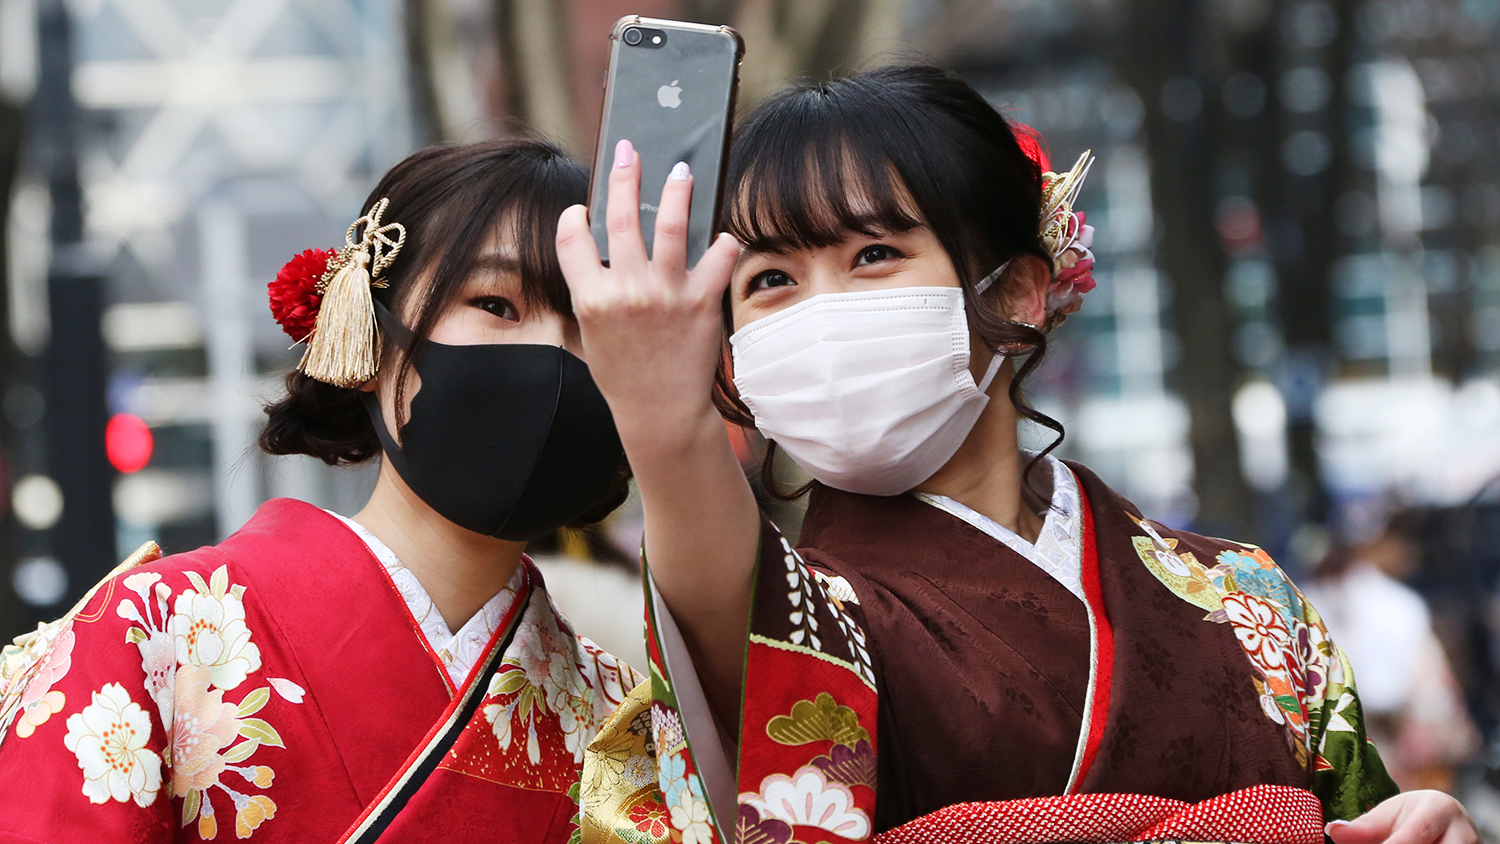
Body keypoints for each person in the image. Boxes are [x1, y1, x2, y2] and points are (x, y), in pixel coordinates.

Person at [556, 67, 1478, 844]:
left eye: (874, 253)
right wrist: (660, 419)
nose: (817, 313)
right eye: (769, 282)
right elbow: (718, 573)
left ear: (1021, 293)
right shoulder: (800, 615)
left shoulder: (1249, 601)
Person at [0, 139, 640, 843]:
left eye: (589, 322)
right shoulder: (151, 637)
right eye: (495, 303)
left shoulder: (623, 724)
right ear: (368, 332)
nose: (552, 354)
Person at [1305, 510, 1481, 793]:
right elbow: (1397, 687)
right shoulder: (1393, 603)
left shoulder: (1309, 595)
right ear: (1380, 542)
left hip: (1349, 739)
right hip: (1383, 738)